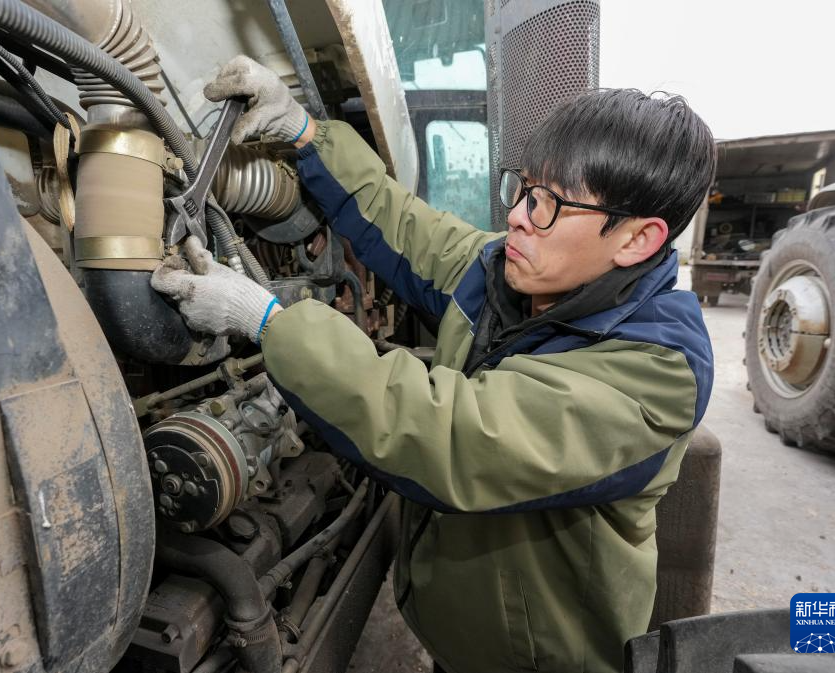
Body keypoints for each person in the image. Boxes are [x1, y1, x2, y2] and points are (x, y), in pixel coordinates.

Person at [152, 55, 716, 673]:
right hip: (458, 633)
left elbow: (451, 437)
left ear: (637, 239)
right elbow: (406, 226)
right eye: (524, 188)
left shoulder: (654, 375)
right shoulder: (511, 271)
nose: (517, 216)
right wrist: (305, 133)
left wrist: (267, 321)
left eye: (550, 204)